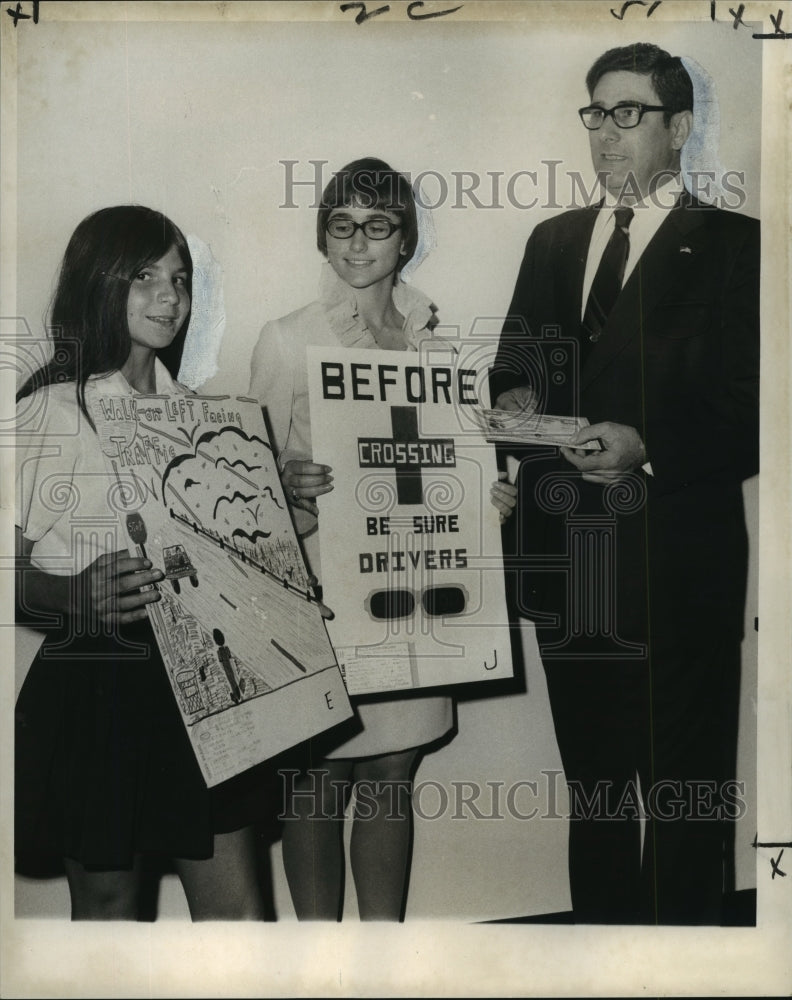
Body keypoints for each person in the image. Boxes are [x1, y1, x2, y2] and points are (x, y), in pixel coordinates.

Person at [490, 44, 759, 924]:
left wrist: (647, 443)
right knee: (598, 800)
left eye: (629, 114)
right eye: (596, 113)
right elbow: (511, 376)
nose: (606, 134)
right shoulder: (552, 240)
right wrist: (518, 402)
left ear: (679, 128)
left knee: (686, 800)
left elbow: (760, 408)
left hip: (680, 565)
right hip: (572, 563)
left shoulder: (737, 246)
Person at [249, 157, 516, 920]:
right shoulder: (287, 336)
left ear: (405, 240)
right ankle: (320, 962)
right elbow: (247, 477)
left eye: (378, 225)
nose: (359, 241)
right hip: (325, 592)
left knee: (393, 769)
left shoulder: (440, 343)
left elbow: (454, 462)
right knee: (319, 776)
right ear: (322, 237)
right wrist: (285, 478)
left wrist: (483, 497)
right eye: (342, 224)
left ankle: (382, 954)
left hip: (415, 585)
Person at [15, 205, 266, 920]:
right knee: (108, 913)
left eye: (180, 280)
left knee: (237, 916)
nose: (170, 298)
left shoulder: (204, 414)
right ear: (99, 283)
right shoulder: (49, 411)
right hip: (97, 687)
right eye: (146, 278)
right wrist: (68, 596)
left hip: (208, 680)